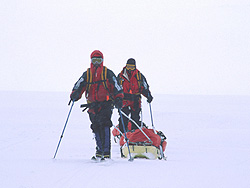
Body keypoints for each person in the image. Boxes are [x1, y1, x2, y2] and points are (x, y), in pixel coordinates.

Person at [70, 50, 124, 160]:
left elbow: (116, 86)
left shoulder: (107, 73)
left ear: (102, 61)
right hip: (92, 106)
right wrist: (75, 94)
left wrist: (119, 98)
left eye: (99, 60)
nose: (96, 63)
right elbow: (79, 85)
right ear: (90, 61)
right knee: (95, 126)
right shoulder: (87, 74)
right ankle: (99, 150)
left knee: (105, 125)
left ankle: (106, 151)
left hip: (106, 104)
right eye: (94, 60)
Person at [117, 58, 153, 133]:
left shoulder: (139, 76)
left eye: (132, 67)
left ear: (135, 67)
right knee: (123, 118)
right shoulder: (120, 76)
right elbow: (115, 88)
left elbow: (144, 87)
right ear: (126, 66)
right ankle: (123, 134)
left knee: (135, 118)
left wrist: (148, 95)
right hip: (124, 100)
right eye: (128, 67)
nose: (130, 69)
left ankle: (135, 133)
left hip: (135, 100)